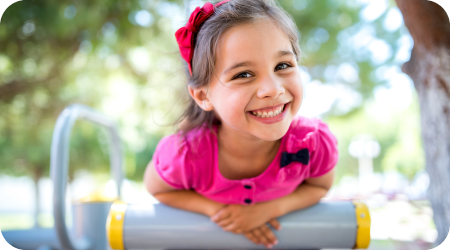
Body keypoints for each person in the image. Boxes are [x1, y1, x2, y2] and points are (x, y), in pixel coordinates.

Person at [144, 0, 338, 248]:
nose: (272, 89)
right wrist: (218, 212)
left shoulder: (313, 143)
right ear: (204, 96)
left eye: (282, 65)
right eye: (243, 74)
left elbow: (320, 186)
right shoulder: (185, 153)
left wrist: (268, 210)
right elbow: (158, 189)